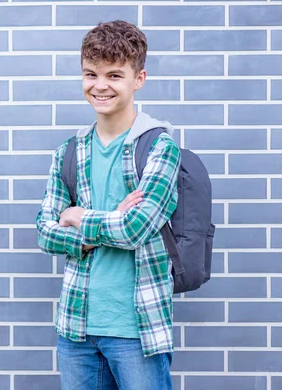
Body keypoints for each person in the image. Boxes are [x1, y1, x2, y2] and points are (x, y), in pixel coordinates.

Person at [36, 20, 181, 390]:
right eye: (91, 74)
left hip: (137, 331)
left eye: (114, 75)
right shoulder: (69, 151)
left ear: (139, 79)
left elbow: (135, 228)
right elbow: (45, 233)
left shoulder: (160, 149)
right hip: (75, 327)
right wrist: (109, 220)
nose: (100, 85)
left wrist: (80, 217)